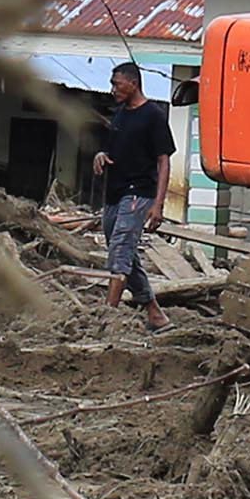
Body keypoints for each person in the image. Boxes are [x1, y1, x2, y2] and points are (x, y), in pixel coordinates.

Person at [85, 60, 175, 312]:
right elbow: (111, 148)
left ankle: (107, 314)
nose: (112, 89)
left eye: (117, 84)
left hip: (138, 193)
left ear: (133, 83)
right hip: (113, 193)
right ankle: (155, 313)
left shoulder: (153, 116)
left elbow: (163, 161)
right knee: (123, 252)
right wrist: (100, 155)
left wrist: (158, 204)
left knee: (120, 251)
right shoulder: (121, 114)